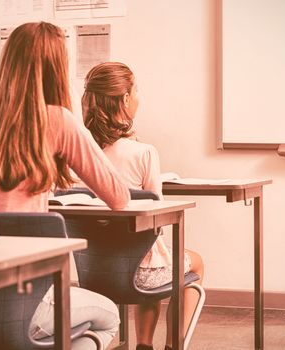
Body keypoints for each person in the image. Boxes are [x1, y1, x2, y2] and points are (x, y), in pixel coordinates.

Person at [0, 22, 131, 350]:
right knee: (108, 317)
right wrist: (76, 118)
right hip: (26, 303)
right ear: (57, 69)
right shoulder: (58, 120)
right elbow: (119, 197)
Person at [82, 62, 205, 350]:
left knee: (141, 252)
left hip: (92, 269)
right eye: (136, 90)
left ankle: (145, 345)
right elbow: (155, 216)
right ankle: (171, 345)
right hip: (140, 274)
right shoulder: (144, 153)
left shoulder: (78, 151)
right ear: (125, 99)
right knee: (183, 258)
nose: (139, 97)